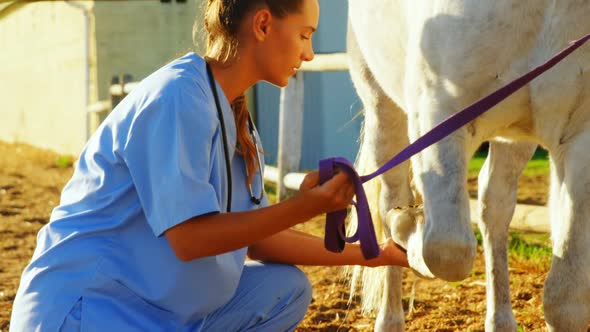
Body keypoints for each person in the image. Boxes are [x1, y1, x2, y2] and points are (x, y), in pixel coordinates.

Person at [10, 0, 408, 331]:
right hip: (89, 311)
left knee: (285, 289)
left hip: (156, 311)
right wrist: (304, 207)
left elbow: (255, 241)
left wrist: (380, 253)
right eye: (305, 35)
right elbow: (191, 239)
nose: (308, 53)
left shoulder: (235, 115)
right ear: (264, 24)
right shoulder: (177, 98)